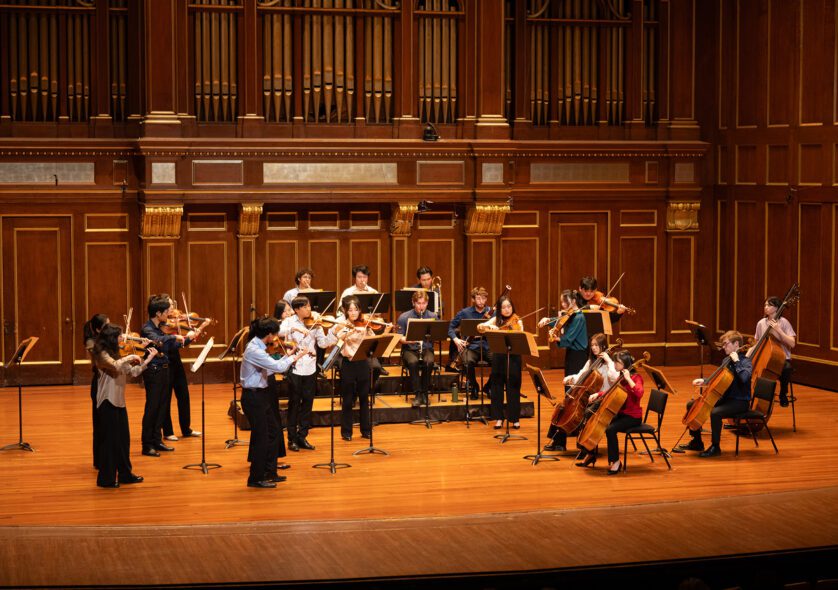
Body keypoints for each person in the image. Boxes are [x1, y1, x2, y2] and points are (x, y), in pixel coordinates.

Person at [240, 317, 308, 488]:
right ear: (269, 335)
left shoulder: (259, 346)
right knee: (261, 438)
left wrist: (290, 354)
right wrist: (296, 356)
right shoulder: (254, 350)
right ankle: (255, 478)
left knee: (274, 431)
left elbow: (271, 366)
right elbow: (277, 368)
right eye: (275, 334)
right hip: (253, 397)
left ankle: (270, 472)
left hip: (260, 396)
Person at [91, 324, 157, 488]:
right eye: (120, 336)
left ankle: (125, 475)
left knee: (123, 441)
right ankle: (105, 479)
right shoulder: (101, 355)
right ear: (112, 338)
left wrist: (148, 358)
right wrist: (129, 357)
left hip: (119, 402)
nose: (124, 339)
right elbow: (115, 365)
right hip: (107, 402)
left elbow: (133, 372)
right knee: (110, 442)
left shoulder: (118, 353)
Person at [139, 295, 201, 457]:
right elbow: (159, 341)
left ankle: (157, 440)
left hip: (164, 371)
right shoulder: (147, 329)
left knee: (161, 408)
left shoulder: (159, 326)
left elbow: (173, 345)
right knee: (152, 408)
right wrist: (174, 336)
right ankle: (147, 445)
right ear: (158, 313)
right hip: (153, 373)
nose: (169, 313)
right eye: (167, 311)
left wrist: (188, 338)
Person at [681, 330, 753, 457]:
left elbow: (744, 378)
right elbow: (719, 379)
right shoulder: (726, 359)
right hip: (725, 398)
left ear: (736, 344)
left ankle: (716, 447)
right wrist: (705, 381)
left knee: (715, 413)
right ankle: (697, 442)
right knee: (691, 404)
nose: (723, 347)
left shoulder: (745, 361)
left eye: (726, 344)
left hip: (739, 401)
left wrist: (736, 362)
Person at [574, 349, 644, 475]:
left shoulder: (635, 377)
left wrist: (629, 379)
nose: (614, 365)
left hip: (633, 417)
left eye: (617, 362)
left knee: (610, 429)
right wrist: (598, 394)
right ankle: (590, 453)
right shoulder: (621, 377)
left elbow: (639, 393)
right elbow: (612, 391)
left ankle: (616, 462)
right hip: (622, 413)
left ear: (624, 364)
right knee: (593, 418)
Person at [279, 296, 336, 451]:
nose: (309, 309)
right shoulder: (289, 321)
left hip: (310, 369)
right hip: (295, 368)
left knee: (308, 404)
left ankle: (302, 436)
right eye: (305, 307)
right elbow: (278, 331)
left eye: (309, 306)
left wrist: (333, 331)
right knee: (294, 404)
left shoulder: (316, 324)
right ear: (297, 309)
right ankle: (291, 439)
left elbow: (323, 343)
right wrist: (294, 329)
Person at [544, 333, 617, 452]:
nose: (593, 347)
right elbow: (581, 375)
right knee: (563, 408)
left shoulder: (610, 364)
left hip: (602, 397)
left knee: (578, 414)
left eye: (596, 345)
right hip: (588, 396)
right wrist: (571, 378)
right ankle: (559, 442)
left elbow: (614, 379)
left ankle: (584, 448)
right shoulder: (591, 362)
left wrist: (608, 361)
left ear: (604, 346)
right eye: (592, 345)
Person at [161, 295, 211, 442]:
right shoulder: (161, 326)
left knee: (183, 395)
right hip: (165, 363)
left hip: (175, 361)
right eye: (169, 306)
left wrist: (200, 327)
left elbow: (181, 343)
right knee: (166, 398)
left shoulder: (173, 324)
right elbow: (177, 343)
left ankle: (186, 428)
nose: (173, 311)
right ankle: (168, 431)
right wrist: (188, 335)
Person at [330, 296, 375, 441]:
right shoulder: (341, 325)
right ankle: (346, 432)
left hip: (362, 362)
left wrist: (374, 329)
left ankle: (366, 430)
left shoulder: (364, 323)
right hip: (348, 363)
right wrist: (350, 330)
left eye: (356, 309)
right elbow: (338, 338)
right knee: (348, 399)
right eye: (350, 310)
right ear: (345, 311)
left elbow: (373, 340)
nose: (354, 313)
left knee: (364, 397)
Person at [478, 296, 524, 429]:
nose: (507, 309)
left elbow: (519, 334)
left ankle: (514, 418)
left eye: (509, 306)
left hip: (514, 358)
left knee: (513, 387)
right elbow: (482, 327)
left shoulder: (517, 320)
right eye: (503, 307)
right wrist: (484, 326)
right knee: (497, 387)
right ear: (499, 309)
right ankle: (498, 418)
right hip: (499, 357)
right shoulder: (496, 319)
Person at [749, 296, 796, 407]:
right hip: (765, 356)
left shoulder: (783, 322)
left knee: (787, 368)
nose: (766, 307)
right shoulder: (761, 323)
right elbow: (757, 342)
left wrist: (779, 330)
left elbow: (792, 343)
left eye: (769, 305)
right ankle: (762, 400)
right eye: (765, 305)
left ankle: (783, 393)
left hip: (782, 358)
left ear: (777, 308)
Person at [448, 286, 492, 399]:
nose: (481, 301)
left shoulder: (492, 312)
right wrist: (456, 339)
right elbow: (450, 327)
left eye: (483, 298)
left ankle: (489, 386)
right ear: (473, 299)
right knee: (467, 362)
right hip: (471, 346)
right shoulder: (464, 312)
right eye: (478, 298)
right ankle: (474, 386)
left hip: (488, 345)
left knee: (500, 360)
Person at [397, 289, 438, 408]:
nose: (421, 306)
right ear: (413, 303)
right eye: (419, 303)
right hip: (410, 349)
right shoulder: (404, 317)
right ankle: (418, 394)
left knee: (428, 362)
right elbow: (399, 338)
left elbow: (437, 335)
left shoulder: (432, 316)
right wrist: (410, 339)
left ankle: (425, 392)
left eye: (424, 303)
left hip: (426, 348)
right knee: (413, 362)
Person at [266, 300, 295, 470]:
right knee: (271, 425)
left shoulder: (264, 345)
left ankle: (273, 460)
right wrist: (292, 357)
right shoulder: (259, 348)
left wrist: (287, 355)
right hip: (261, 389)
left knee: (274, 423)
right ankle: (268, 463)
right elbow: (277, 366)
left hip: (268, 385)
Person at [538, 289, 588, 379]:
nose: (563, 304)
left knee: (573, 383)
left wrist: (556, 338)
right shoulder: (570, 314)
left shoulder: (579, 317)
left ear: (573, 301)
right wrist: (547, 320)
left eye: (566, 302)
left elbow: (569, 338)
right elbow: (560, 321)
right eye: (562, 302)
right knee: (568, 381)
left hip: (578, 356)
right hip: (571, 353)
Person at [83, 314, 109, 469]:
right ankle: (99, 460)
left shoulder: (104, 340)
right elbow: (101, 359)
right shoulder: (92, 342)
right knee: (99, 424)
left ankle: (106, 458)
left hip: (108, 382)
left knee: (106, 424)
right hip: (99, 383)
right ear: (99, 329)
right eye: (106, 326)